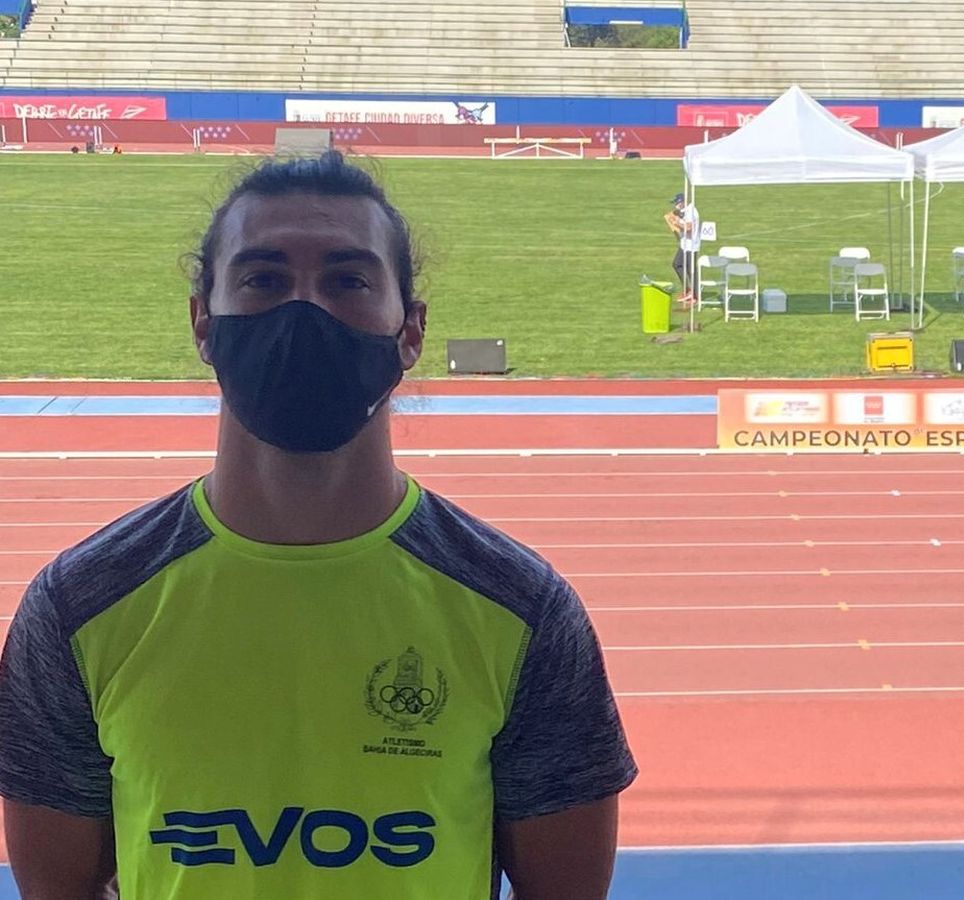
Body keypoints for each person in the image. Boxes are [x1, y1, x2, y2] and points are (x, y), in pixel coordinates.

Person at [0, 151, 637, 899]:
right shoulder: (78, 609)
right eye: (264, 279)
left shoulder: (524, 611)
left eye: (349, 280)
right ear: (203, 320)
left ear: (411, 331)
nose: (305, 310)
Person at [665, 192, 699, 305]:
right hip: (684, 245)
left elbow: (689, 228)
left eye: (677, 203)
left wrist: (676, 222)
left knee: (691, 270)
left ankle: (695, 295)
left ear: (683, 202)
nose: (675, 205)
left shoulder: (691, 212)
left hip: (691, 246)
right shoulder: (685, 212)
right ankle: (687, 289)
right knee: (677, 264)